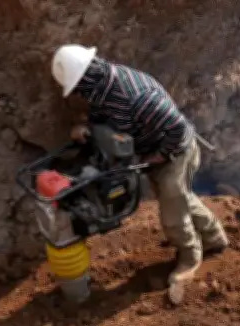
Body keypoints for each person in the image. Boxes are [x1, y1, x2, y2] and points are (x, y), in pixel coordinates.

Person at [49, 44, 228, 305]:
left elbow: (177, 130)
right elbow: (103, 116)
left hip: (174, 152)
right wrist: (86, 128)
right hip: (152, 148)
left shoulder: (136, 96)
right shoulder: (102, 88)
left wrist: (157, 158)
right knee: (179, 198)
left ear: (88, 78)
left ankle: (190, 257)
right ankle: (214, 237)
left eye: (79, 88)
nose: (79, 94)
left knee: (172, 213)